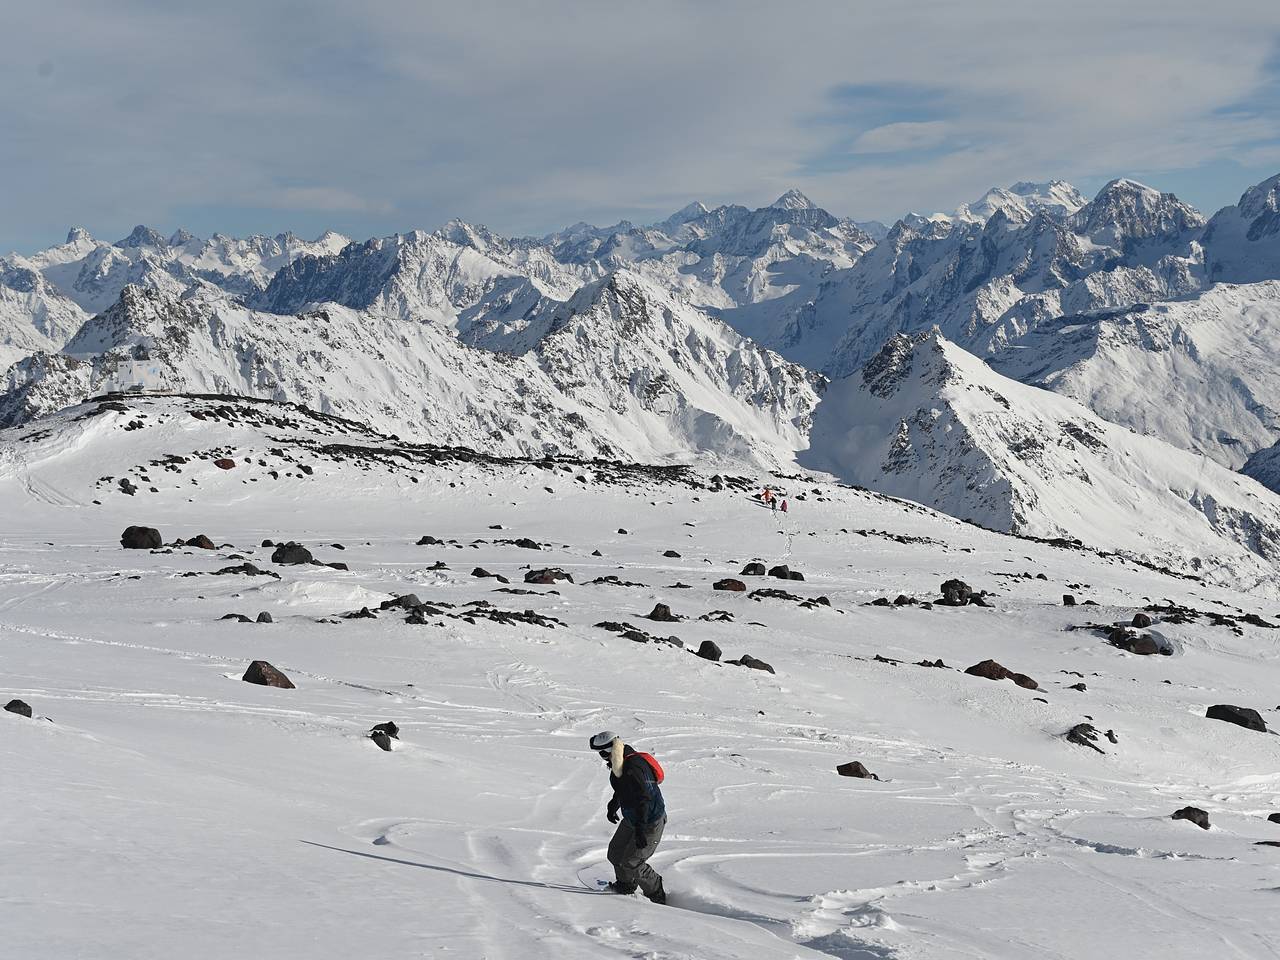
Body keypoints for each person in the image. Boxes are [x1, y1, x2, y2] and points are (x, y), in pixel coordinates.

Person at [589, 730, 667, 904]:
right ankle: (626, 885)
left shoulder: (635, 767)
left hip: (649, 821)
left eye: (603, 753)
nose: (602, 757)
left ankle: (657, 894)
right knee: (615, 853)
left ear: (612, 749)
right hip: (633, 818)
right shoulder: (619, 764)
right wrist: (613, 804)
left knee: (634, 862)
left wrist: (640, 830)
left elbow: (644, 798)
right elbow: (624, 787)